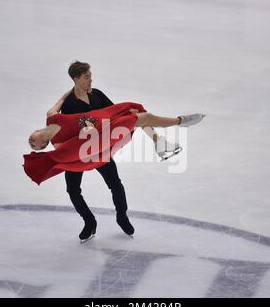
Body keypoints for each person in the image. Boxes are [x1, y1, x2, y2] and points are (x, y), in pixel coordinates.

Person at [24, 102, 205, 241]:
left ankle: (122, 217)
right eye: (87, 77)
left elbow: (112, 111)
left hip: (102, 145)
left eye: (89, 76)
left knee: (115, 183)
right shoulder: (59, 135)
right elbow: (70, 149)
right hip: (84, 153)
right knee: (72, 190)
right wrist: (88, 130)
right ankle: (90, 222)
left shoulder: (92, 96)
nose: (90, 80)